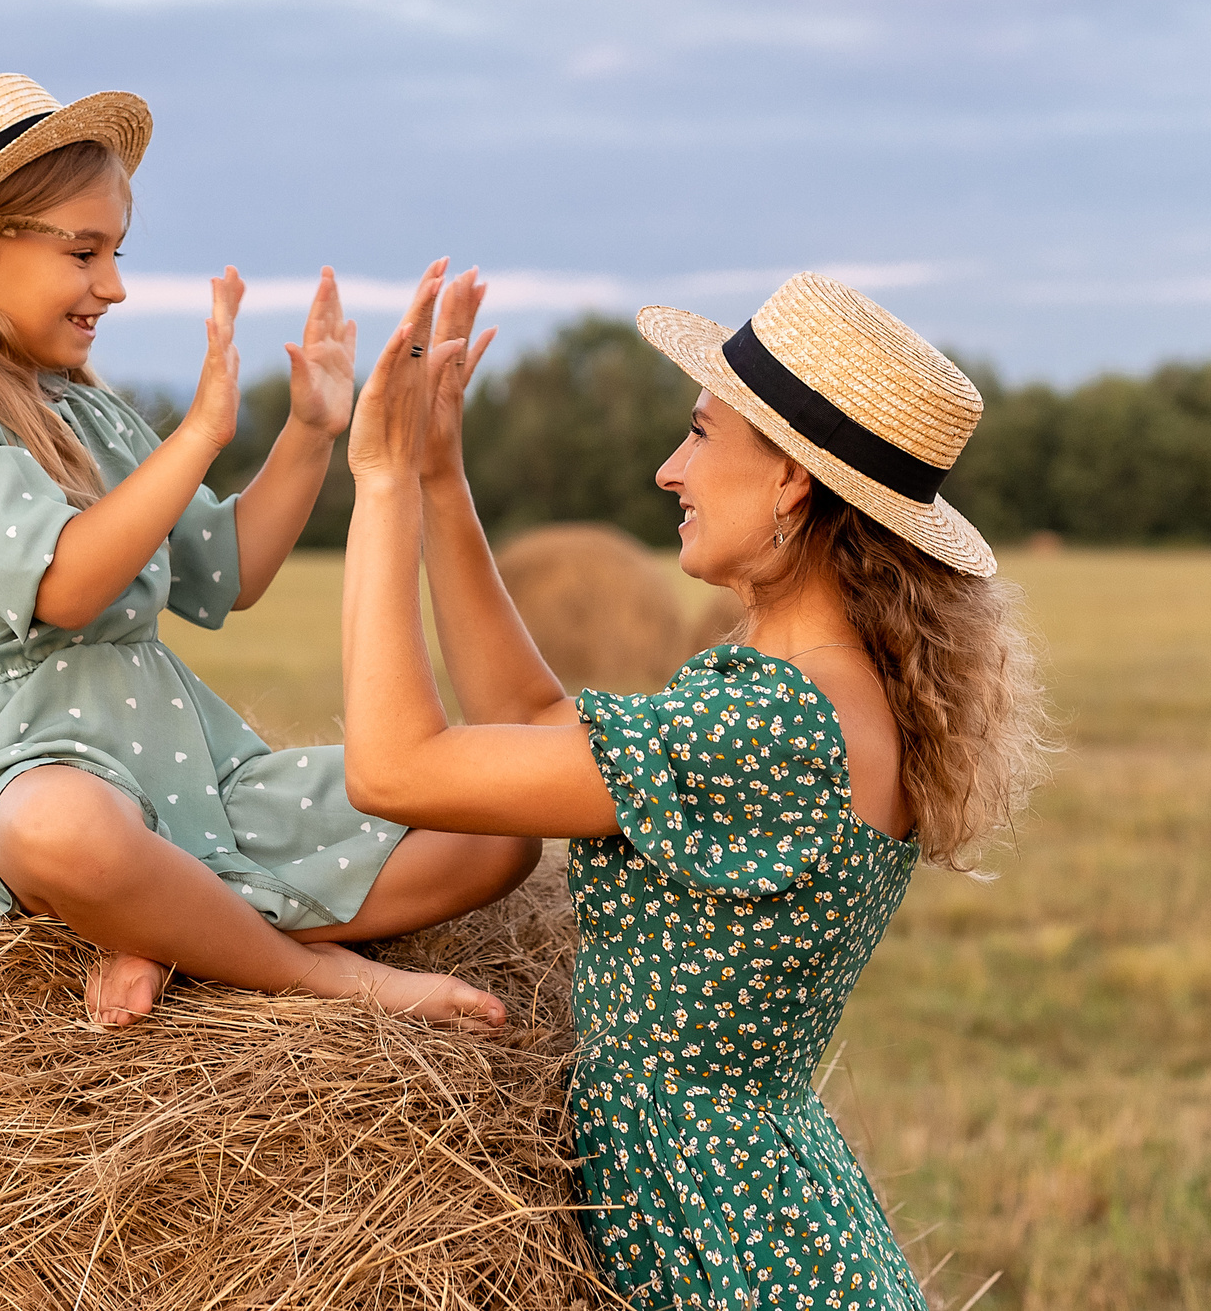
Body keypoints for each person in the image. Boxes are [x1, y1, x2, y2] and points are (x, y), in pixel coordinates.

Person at [0, 75, 534, 1028]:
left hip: (187, 766)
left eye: (116, 251)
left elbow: (228, 571)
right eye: (84, 251)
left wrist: (311, 430)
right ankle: (319, 974)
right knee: (64, 830)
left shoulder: (91, 409)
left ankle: (173, 925)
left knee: (494, 827)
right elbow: (67, 586)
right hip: (24, 761)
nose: (111, 284)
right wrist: (199, 430)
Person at [338, 262, 1052, 1310]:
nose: (669, 469)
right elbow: (536, 729)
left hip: (726, 1250)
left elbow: (392, 767)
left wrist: (381, 482)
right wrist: (444, 486)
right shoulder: (819, 698)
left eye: (701, 432)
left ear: (791, 483)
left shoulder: (769, 724)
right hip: (759, 1215)